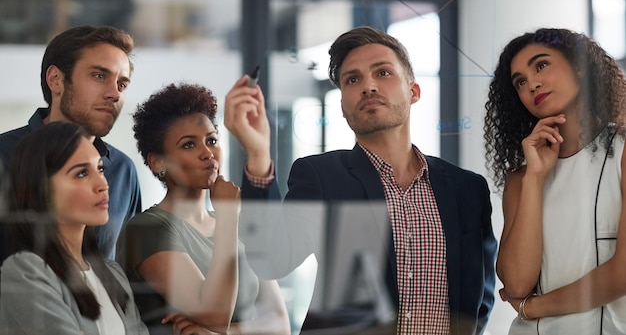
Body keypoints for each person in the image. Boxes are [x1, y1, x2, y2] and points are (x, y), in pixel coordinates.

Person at [225, 26, 497, 335]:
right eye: (352, 80)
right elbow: (272, 260)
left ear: (413, 91)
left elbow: (479, 299)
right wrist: (258, 152)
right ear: (342, 105)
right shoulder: (322, 176)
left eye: (383, 73)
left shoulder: (467, 189)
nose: (368, 86)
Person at [117, 83, 291, 335]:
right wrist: (228, 215)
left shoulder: (239, 225)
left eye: (212, 140)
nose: (208, 153)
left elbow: (280, 324)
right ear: (157, 162)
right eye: (189, 145)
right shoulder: (149, 228)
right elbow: (215, 314)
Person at [483, 28, 626, 334]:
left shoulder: (622, 151)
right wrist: (535, 177)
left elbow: (622, 275)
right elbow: (517, 282)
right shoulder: (522, 178)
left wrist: (535, 306)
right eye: (520, 81)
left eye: (542, 65)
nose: (532, 83)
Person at [0, 25, 142, 261]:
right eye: (99, 76)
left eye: (122, 84)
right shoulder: (4, 156)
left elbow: (127, 274)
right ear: (56, 80)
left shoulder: (122, 171)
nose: (115, 94)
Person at [0, 121, 148, 335]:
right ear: (42, 189)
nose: (103, 184)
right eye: (81, 174)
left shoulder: (113, 274)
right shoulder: (24, 271)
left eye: (100, 169)